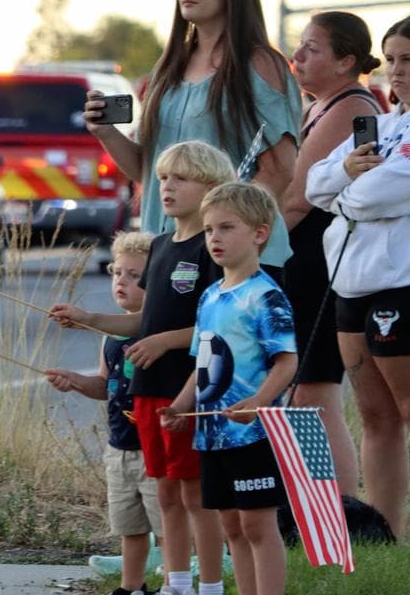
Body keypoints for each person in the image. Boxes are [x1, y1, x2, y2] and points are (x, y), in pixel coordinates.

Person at [50, 141, 232, 595]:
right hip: (148, 389)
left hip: (189, 390)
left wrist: (165, 341)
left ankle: (209, 584)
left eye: (181, 179)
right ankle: (177, 581)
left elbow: (221, 328)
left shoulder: (212, 250)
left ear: (212, 188)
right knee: (166, 492)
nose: (167, 187)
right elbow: (143, 322)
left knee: (194, 493)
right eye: (164, 178)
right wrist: (90, 319)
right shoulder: (161, 246)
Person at [306, 13, 410, 546]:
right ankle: (381, 538)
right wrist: (346, 178)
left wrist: (345, 189)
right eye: (391, 59)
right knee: (375, 416)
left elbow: (383, 193)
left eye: (409, 59)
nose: (396, 70)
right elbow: (313, 183)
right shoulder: (384, 124)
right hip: (352, 284)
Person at [82, 0, 301, 280]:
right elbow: (148, 172)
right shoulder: (167, 68)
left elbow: (279, 170)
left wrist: (224, 228)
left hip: (235, 257)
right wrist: (105, 133)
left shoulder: (259, 64)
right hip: (166, 248)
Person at [159, 181, 297, 595]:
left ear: (259, 233)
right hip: (213, 433)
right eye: (210, 229)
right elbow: (203, 362)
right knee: (231, 523)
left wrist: (257, 402)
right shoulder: (209, 297)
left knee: (257, 522)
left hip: (252, 432)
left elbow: (287, 361)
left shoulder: (266, 296)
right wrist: (180, 407)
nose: (214, 238)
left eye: (227, 228)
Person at [278, 11, 381, 497]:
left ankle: (335, 510)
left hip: (317, 266)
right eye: (299, 45)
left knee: (315, 390)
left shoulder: (350, 106)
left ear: (347, 61)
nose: (297, 56)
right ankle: (311, 506)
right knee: (300, 390)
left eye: (311, 48)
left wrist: (252, 251)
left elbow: (297, 196)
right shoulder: (318, 104)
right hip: (302, 261)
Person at [45, 231, 162, 595]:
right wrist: (76, 381)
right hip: (120, 446)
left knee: (168, 525)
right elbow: (105, 385)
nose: (122, 282)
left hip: (154, 446)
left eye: (134, 275)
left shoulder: (159, 329)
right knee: (130, 526)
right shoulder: (109, 336)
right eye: (117, 273)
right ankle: (132, 586)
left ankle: (177, 582)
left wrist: (87, 318)